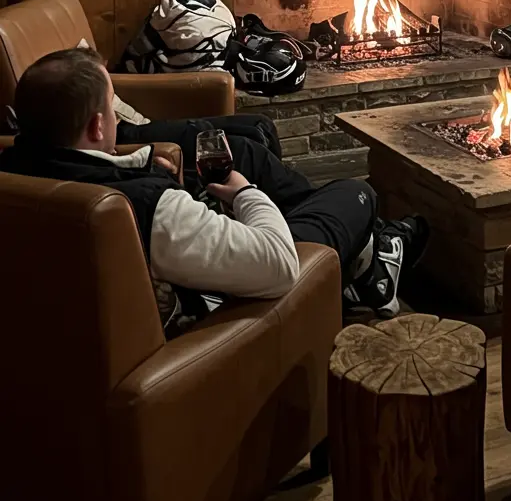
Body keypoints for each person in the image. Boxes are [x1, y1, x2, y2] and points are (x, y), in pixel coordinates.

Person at [0, 48, 427, 322]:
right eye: (112, 111)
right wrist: (245, 194)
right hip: (216, 313)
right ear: (97, 126)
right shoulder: (147, 208)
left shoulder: (15, 174)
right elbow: (278, 265)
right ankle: (373, 257)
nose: (117, 120)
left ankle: (369, 264)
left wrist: (143, 159)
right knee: (355, 195)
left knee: (255, 153)